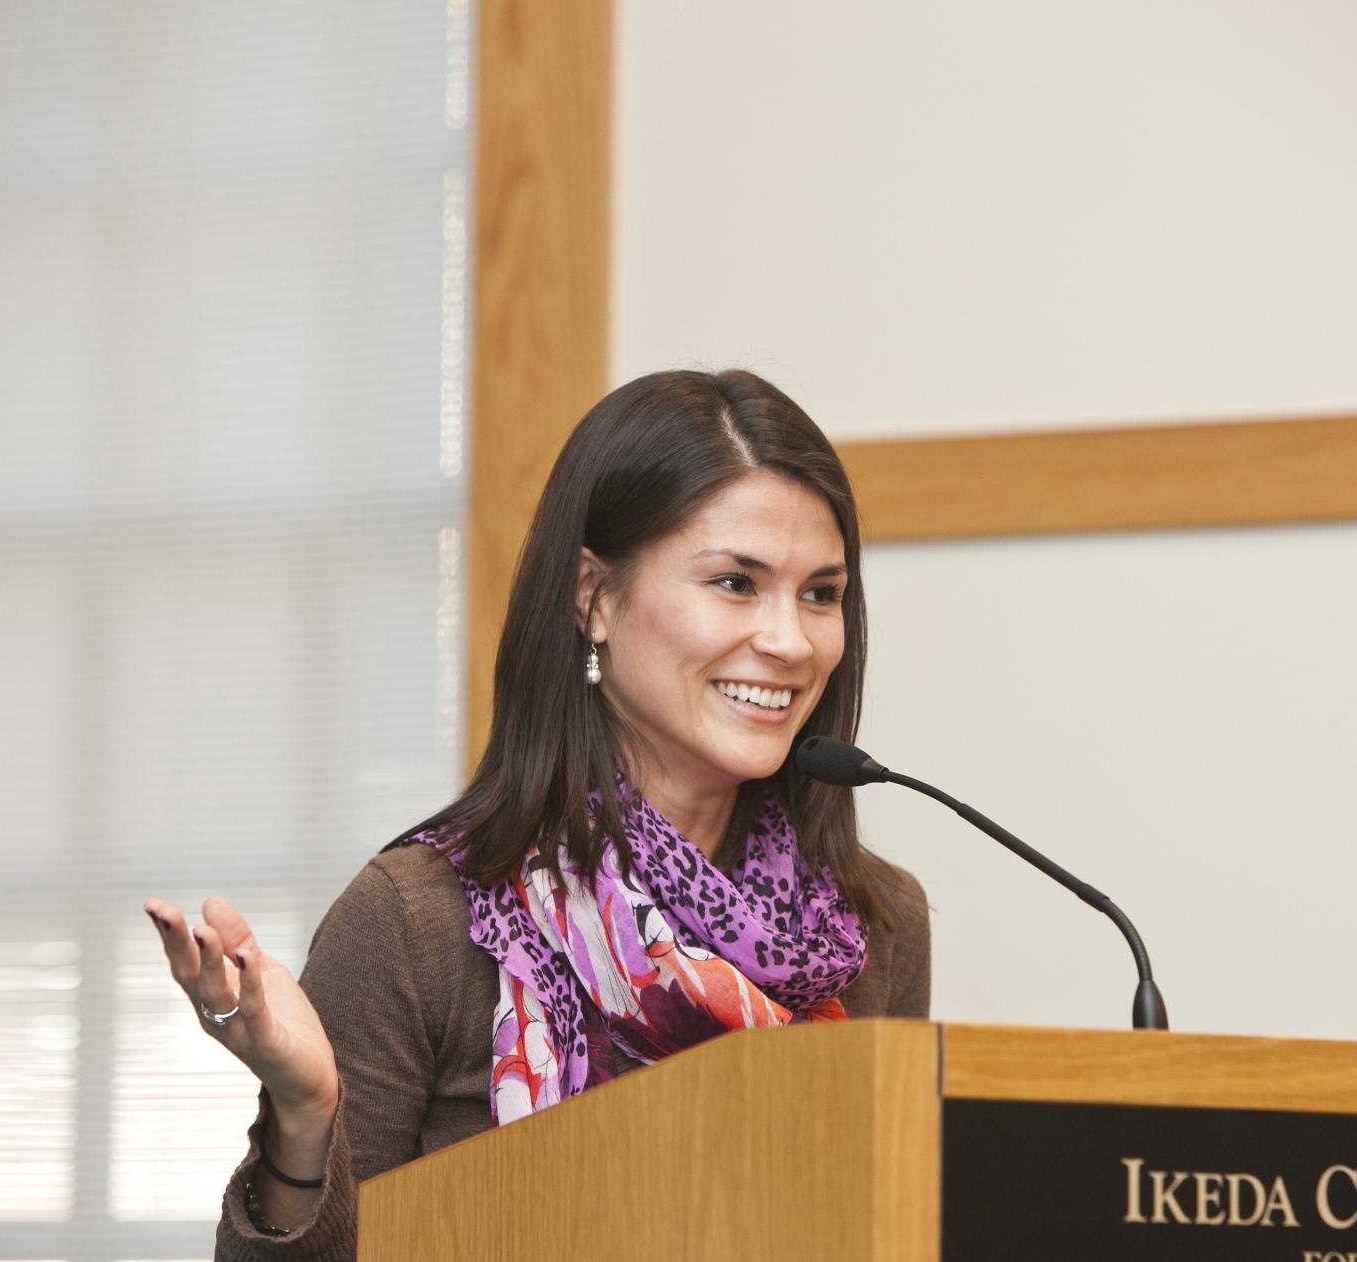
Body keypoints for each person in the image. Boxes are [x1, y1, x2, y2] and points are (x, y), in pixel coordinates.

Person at [142, 369, 931, 1257]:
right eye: (736, 583)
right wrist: (303, 1116)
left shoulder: (871, 927)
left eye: (821, 594)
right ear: (592, 596)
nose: (790, 641)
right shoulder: (417, 921)